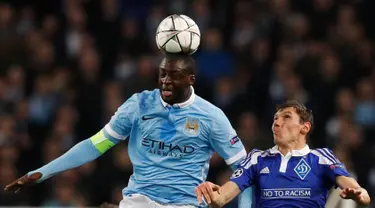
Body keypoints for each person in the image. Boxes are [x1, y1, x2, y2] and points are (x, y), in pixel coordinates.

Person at [4, 54, 248, 208]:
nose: (165, 81)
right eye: (162, 74)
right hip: (139, 200)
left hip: (185, 204)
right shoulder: (139, 104)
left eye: (174, 76)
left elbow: (245, 170)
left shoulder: (212, 116)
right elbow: (94, 145)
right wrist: (42, 172)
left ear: (191, 79)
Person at [195, 100, 371, 208]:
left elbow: (359, 192)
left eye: (286, 117)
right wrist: (210, 193)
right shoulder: (257, 159)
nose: (277, 123)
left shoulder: (321, 158)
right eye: (275, 119)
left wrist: (359, 194)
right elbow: (222, 198)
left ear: (305, 127)